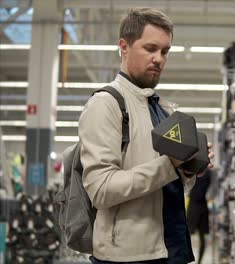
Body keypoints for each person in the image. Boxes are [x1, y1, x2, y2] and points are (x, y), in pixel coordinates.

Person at [78, 8, 214, 264]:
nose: (159, 59)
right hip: (128, 256)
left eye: (164, 51)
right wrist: (169, 163)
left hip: (170, 248)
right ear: (124, 46)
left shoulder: (163, 110)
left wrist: (188, 169)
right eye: (150, 48)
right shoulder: (106, 104)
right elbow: (101, 189)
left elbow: (170, 186)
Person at [187, 169, 212, 264]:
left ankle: (198, 262)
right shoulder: (197, 171)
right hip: (197, 205)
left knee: (198, 237)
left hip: (198, 205)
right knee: (189, 236)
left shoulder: (205, 172)